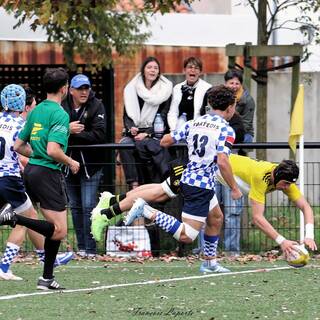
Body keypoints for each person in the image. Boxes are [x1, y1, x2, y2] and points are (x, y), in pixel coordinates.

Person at [124, 85, 242, 273]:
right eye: (234, 106)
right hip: (199, 186)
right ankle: (146, 210)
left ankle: (210, 263)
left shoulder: (195, 122)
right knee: (187, 236)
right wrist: (234, 188)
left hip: (191, 178)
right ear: (229, 108)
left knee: (216, 218)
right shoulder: (226, 130)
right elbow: (223, 161)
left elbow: (165, 141)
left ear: (210, 104)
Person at [0, 68, 80, 290]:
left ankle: (47, 274)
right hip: (45, 173)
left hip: (32, 171)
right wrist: (71, 162)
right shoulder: (60, 114)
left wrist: (38, 156)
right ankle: (12, 220)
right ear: (64, 89)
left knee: (49, 225)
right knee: (59, 230)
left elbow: (19, 146)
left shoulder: (35, 112)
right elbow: (53, 150)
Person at [215, 154, 317, 256]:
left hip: (221, 172)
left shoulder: (286, 181)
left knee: (214, 217)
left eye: (290, 184)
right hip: (213, 165)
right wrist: (282, 241)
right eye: (285, 183)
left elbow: (306, 207)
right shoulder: (261, 176)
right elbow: (257, 218)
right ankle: (209, 258)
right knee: (207, 216)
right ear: (277, 176)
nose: (287, 187)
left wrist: (309, 235)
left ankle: (210, 260)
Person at [61, 74, 106, 258]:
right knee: (75, 206)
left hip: (91, 165)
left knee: (89, 206)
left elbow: (99, 134)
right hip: (68, 164)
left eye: (86, 88)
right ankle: (81, 247)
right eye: (80, 88)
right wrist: (67, 128)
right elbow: (52, 132)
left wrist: (72, 134)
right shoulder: (62, 106)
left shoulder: (97, 105)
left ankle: (91, 249)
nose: (84, 92)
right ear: (71, 90)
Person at [119, 56, 172, 190]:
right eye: (149, 67)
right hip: (135, 132)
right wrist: (131, 128)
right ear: (143, 70)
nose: (152, 70)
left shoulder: (165, 90)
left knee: (147, 149)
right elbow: (127, 114)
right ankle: (134, 184)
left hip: (154, 132)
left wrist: (147, 133)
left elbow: (164, 115)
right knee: (124, 144)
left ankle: (152, 188)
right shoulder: (132, 88)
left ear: (159, 72)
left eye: (156, 68)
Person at [167, 56, 211, 131]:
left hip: (199, 130)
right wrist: (174, 129)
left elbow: (209, 113)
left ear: (200, 72)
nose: (193, 70)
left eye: (196, 68)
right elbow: (173, 112)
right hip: (178, 130)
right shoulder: (177, 88)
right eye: (190, 67)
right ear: (184, 70)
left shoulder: (207, 88)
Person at [224, 69, 255, 147]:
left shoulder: (248, 100)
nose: (234, 86)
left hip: (243, 132)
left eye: (237, 83)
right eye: (231, 83)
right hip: (223, 129)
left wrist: (228, 134)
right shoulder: (220, 95)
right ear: (225, 83)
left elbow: (246, 124)